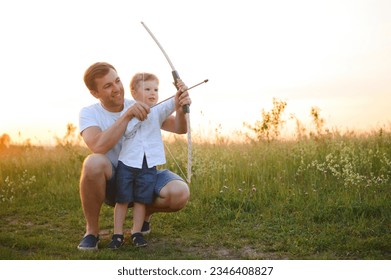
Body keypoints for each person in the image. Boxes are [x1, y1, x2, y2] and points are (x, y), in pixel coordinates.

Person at [77, 62, 191, 250]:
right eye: (107, 86)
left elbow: (179, 128)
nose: (116, 89)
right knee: (93, 163)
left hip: (145, 174)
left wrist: (180, 106)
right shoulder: (89, 113)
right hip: (114, 180)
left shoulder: (141, 105)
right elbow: (97, 145)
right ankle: (92, 232)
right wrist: (127, 116)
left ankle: (143, 216)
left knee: (180, 193)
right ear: (95, 93)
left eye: (117, 81)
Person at [108, 73, 187, 248]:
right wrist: (136, 116)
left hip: (148, 165)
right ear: (134, 93)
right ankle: (117, 234)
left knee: (141, 199)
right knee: (122, 199)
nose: (153, 93)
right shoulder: (127, 110)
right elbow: (126, 131)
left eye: (156, 89)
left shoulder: (158, 111)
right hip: (128, 164)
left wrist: (181, 93)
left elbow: (173, 103)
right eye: (147, 89)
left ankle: (136, 232)